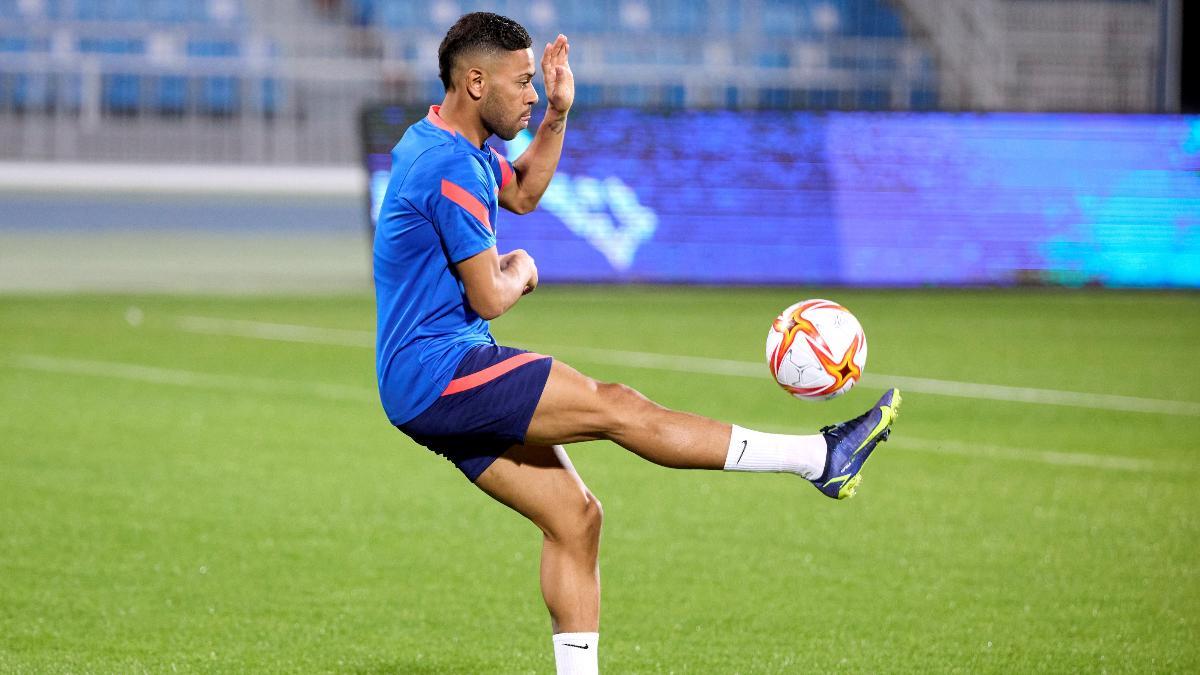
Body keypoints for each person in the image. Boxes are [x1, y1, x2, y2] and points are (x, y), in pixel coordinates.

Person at [372, 12, 902, 674]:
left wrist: (559, 115)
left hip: (426, 374)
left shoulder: (455, 145)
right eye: (526, 82)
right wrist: (525, 269)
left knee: (575, 518)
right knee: (618, 407)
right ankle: (819, 457)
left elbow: (526, 192)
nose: (534, 93)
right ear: (475, 82)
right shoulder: (448, 168)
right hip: (439, 369)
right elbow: (490, 295)